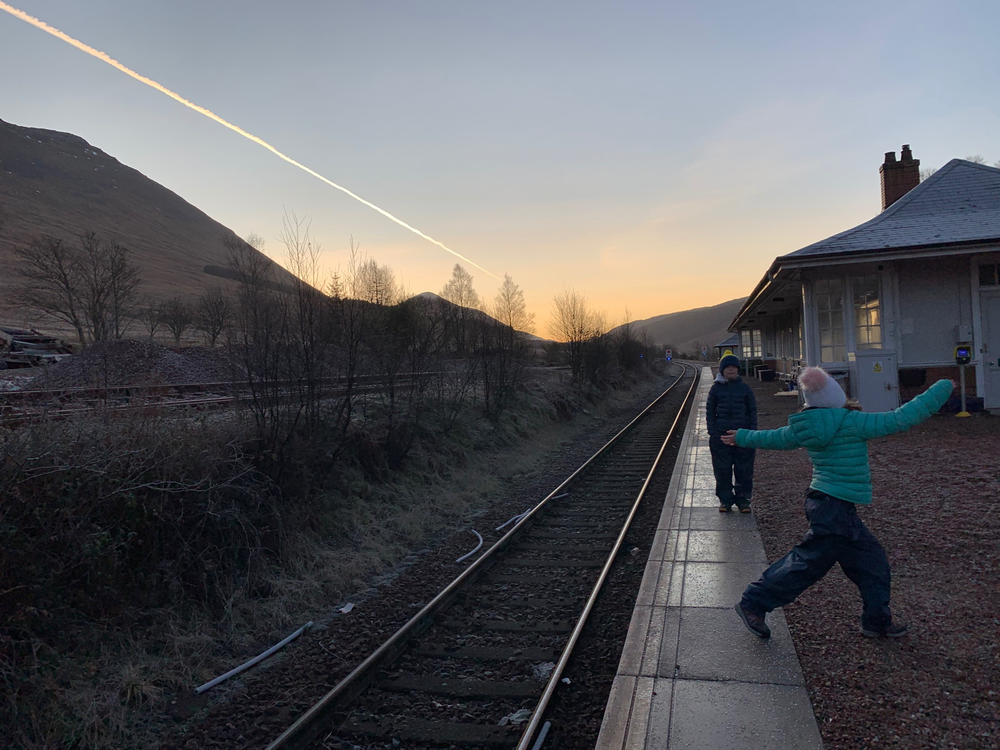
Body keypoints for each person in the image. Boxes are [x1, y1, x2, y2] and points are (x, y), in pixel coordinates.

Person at [724, 367, 954, 639]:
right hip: (834, 509)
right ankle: (753, 602)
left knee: (872, 562)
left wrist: (742, 436)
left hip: (827, 503)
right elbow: (901, 418)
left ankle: (877, 620)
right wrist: (942, 388)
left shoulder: (806, 425)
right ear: (837, 396)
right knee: (806, 564)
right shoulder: (851, 421)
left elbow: (774, 437)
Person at [706, 351, 757, 513]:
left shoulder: (745, 389)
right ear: (722, 370)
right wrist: (713, 432)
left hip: (742, 435)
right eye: (727, 367)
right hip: (721, 436)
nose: (730, 370)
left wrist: (751, 433)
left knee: (744, 469)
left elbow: (752, 412)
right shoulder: (715, 389)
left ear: (738, 370)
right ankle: (725, 500)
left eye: (734, 367)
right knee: (722, 469)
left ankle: (743, 500)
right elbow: (710, 411)